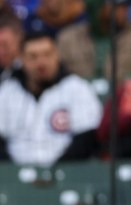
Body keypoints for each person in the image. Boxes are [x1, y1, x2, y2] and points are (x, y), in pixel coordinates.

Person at [0, 31, 102, 166]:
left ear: (57, 55)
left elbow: (86, 138)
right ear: (22, 59)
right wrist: (12, 172)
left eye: (47, 54)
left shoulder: (77, 88)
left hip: (68, 175)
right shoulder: (7, 91)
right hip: (13, 177)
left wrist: (56, 172)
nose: (41, 62)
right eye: (33, 56)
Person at [0, 15, 23, 82]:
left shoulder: (31, 73)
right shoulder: (4, 71)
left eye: (5, 45)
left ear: (20, 41)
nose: (0, 51)